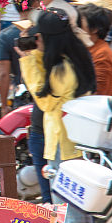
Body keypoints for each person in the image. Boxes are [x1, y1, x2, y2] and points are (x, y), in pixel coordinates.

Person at [17, 9, 96, 168]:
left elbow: (45, 102)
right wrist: (37, 54)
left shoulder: (62, 70)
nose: (36, 39)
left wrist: (27, 60)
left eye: (39, 36)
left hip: (64, 144)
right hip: (74, 141)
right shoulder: (76, 59)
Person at [77, 5, 112, 96]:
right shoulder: (87, 49)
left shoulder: (102, 54)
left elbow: (96, 93)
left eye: (80, 24)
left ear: (95, 29)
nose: (76, 28)